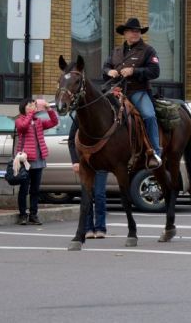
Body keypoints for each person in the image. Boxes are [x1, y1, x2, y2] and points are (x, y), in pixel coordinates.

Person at [103, 17, 162, 169]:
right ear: (125, 33)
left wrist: (134, 71)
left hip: (138, 90)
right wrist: (110, 71)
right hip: (117, 91)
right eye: (132, 31)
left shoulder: (148, 50)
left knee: (149, 115)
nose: (135, 34)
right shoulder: (116, 51)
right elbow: (105, 67)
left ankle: (155, 151)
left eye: (138, 31)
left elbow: (155, 71)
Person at [15, 98, 59, 225]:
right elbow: (23, 127)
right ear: (24, 107)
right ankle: (22, 214)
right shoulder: (19, 120)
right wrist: (29, 114)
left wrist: (49, 109)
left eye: (34, 105)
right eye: (30, 105)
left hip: (39, 159)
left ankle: (33, 214)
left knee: (35, 190)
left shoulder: (38, 121)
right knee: (24, 189)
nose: (33, 107)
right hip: (26, 160)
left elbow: (54, 122)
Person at [68, 116, 108, 238]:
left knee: (99, 194)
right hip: (85, 163)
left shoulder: (102, 116)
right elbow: (71, 140)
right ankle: (88, 228)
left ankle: (101, 227)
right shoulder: (79, 118)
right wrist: (75, 161)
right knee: (87, 194)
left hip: (101, 162)